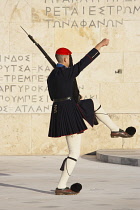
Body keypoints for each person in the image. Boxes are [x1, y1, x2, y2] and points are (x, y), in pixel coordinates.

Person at [47, 38, 133, 195]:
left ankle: (115, 130)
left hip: (60, 111)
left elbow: (55, 95)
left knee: (93, 103)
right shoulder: (66, 73)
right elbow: (83, 63)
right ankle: (60, 187)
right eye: (69, 59)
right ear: (66, 59)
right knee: (73, 153)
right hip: (69, 113)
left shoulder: (52, 76)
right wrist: (99, 46)